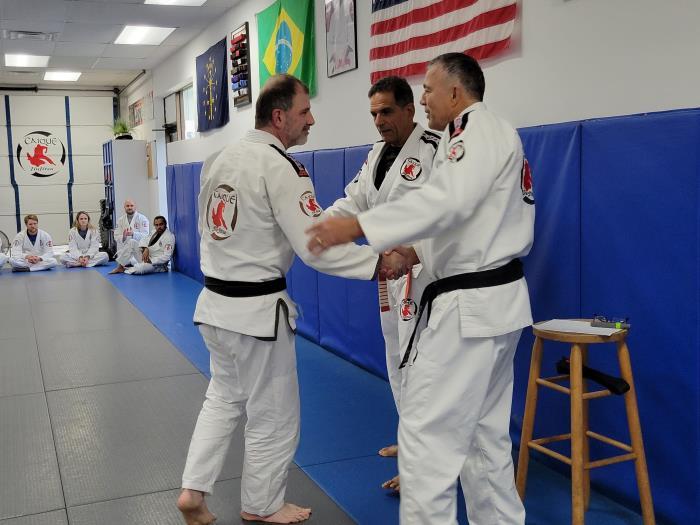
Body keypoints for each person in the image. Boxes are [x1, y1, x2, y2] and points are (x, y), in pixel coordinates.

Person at [306, 53, 535, 525]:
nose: (424, 98)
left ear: (455, 91)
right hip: (489, 302)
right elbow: (465, 219)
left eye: (428, 89)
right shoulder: (476, 136)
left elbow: (447, 202)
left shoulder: (475, 130)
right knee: (483, 442)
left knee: (425, 443)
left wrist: (360, 227)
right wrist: (414, 251)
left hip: (469, 307)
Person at [177, 74, 407, 525]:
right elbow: (313, 246)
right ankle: (262, 505)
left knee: (222, 398)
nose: (312, 120)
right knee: (274, 414)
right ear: (279, 117)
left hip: (214, 304)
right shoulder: (281, 167)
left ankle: (193, 490)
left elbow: (212, 230)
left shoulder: (218, 159)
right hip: (257, 316)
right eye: (305, 111)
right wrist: (377, 262)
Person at [323, 75, 439, 493]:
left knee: (420, 368)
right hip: (388, 274)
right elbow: (352, 202)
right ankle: (411, 442)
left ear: (409, 109)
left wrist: (414, 252)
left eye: (387, 111)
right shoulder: (376, 154)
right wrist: (316, 225)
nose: (379, 121)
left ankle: (423, 465)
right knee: (396, 360)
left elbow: (448, 216)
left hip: (423, 276)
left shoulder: (435, 150)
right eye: (374, 114)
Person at [109, 216, 175, 275]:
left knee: (141, 268)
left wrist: (151, 261)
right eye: (156, 225)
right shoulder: (154, 232)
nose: (158, 227)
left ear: (165, 224)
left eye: (161, 224)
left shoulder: (169, 237)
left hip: (157, 264)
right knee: (132, 242)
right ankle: (120, 267)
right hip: (147, 257)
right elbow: (144, 239)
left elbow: (167, 257)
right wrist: (146, 248)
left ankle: (131, 268)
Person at [113, 199, 149, 266]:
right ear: (124, 207)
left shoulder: (142, 218)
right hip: (124, 251)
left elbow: (146, 236)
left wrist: (133, 234)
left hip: (137, 250)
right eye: (127, 206)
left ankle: (125, 264)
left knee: (133, 262)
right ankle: (124, 263)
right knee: (126, 261)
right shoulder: (120, 220)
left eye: (132, 205)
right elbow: (116, 236)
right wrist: (123, 237)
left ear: (135, 207)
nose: (129, 207)